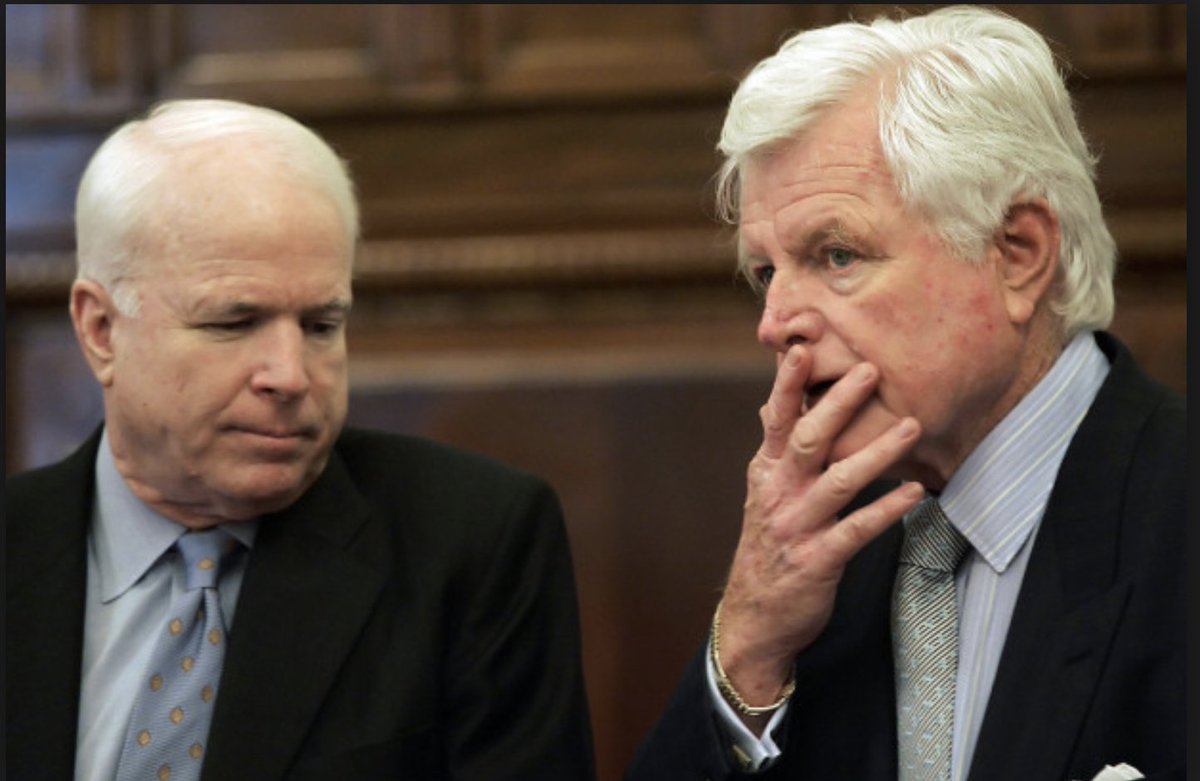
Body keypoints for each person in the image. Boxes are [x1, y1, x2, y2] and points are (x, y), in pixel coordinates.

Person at [627, 6, 1183, 781]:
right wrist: (749, 646)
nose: (774, 324)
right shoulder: (809, 553)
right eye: (766, 273)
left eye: (837, 255)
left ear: (1019, 253)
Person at [6, 98, 596, 781]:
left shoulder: (472, 543)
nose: (290, 376)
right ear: (101, 330)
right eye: (234, 323)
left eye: (321, 326)